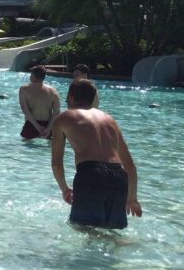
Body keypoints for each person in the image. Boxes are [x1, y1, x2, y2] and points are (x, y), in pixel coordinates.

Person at [51, 79, 142, 229]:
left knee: (83, 229)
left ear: (71, 97)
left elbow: (56, 163)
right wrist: (132, 199)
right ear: (93, 98)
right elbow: (130, 166)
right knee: (112, 232)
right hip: (118, 177)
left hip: (90, 174)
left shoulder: (64, 118)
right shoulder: (109, 120)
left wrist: (65, 189)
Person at [19, 65, 61, 139]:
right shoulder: (54, 91)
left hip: (31, 124)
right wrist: (48, 129)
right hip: (48, 125)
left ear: (34, 76)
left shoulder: (24, 89)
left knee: (26, 147)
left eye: (31, 74)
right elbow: (56, 112)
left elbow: (25, 110)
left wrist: (38, 127)